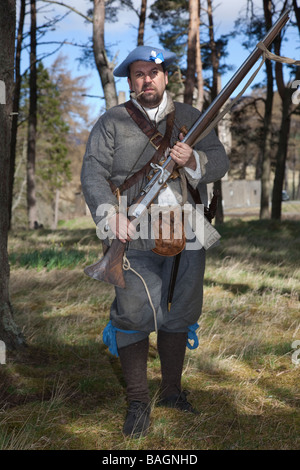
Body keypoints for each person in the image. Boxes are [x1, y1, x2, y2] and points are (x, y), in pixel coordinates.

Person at [81, 45, 229, 438]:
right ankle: (137, 403)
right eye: (138, 74)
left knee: (180, 310)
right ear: (131, 82)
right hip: (133, 231)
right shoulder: (111, 121)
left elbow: (219, 160)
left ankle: (172, 393)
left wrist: (193, 160)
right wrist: (109, 216)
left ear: (166, 78)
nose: (146, 79)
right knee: (132, 314)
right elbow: (93, 171)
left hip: (187, 229)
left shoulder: (191, 118)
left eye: (153, 72)